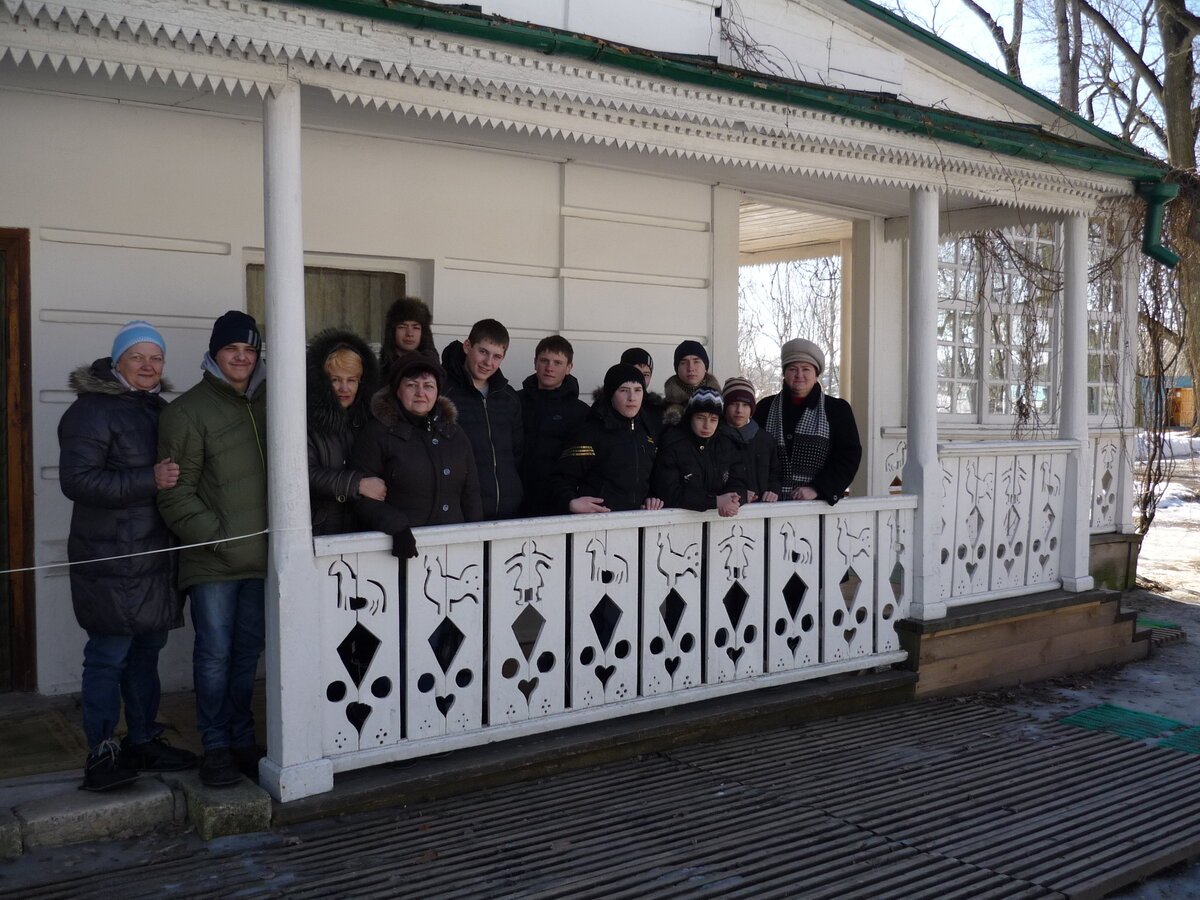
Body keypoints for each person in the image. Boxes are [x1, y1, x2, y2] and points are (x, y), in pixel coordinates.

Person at [58, 321, 197, 791]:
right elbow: (77, 481)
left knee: (145, 653)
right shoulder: (92, 411)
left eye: (155, 358)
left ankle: (143, 739)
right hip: (112, 559)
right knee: (108, 654)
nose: (147, 365)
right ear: (117, 361)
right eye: (137, 357)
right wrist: (147, 481)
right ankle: (102, 754)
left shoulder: (157, 408)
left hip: (155, 555)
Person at [157, 310, 268, 788]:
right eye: (231, 350)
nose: (241, 357)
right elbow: (175, 493)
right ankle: (216, 745)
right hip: (214, 561)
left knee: (247, 655)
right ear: (214, 354)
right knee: (215, 655)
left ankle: (242, 739)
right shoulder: (187, 411)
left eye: (248, 349)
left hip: (261, 560)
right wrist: (218, 537)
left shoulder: (266, 405)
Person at [352, 356, 482, 557]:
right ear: (397, 390)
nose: (421, 393)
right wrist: (396, 526)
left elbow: (471, 492)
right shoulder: (377, 433)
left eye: (428, 386)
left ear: (437, 392)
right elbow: (360, 495)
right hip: (397, 550)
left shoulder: (454, 433)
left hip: (454, 551)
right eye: (412, 385)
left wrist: (475, 538)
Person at [753, 338, 861, 504]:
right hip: (767, 505)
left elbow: (847, 457)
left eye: (806, 369)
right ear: (784, 372)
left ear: (816, 374)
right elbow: (750, 454)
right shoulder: (765, 408)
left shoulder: (836, 410)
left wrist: (818, 488)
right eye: (792, 369)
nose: (799, 375)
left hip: (816, 508)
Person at [440, 318, 523, 520]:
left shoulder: (509, 398)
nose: (488, 362)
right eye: (483, 351)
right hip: (462, 512)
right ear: (468, 346)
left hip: (509, 511)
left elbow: (518, 454)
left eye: (497, 356)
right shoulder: (443, 393)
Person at [552, 363, 663, 514]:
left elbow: (650, 480)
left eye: (638, 390)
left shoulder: (647, 432)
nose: (632, 397)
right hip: (599, 526)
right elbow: (561, 478)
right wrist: (571, 502)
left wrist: (652, 497)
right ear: (611, 394)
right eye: (624, 390)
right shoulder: (592, 432)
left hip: (638, 526)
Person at [306, 329, 386, 536]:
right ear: (322, 382)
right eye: (335, 380)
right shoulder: (307, 420)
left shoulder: (369, 420)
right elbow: (305, 474)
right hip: (321, 531)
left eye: (351, 380)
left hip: (364, 530)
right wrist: (356, 484)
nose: (344, 388)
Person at [518, 335, 589, 516]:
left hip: (559, 506)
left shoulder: (581, 412)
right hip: (516, 503)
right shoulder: (514, 401)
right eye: (544, 361)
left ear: (569, 368)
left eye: (557, 362)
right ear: (535, 363)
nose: (549, 368)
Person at [651, 388, 746, 516]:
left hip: (719, 527)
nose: (707, 425)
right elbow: (669, 492)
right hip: (678, 524)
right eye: (701, 418)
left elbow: (739, 481)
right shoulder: (673, 444)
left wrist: (733, 500)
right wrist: (715, 501)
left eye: (713, 419)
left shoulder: (726, 444)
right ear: (690, 417)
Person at [722, 376, 781, 503]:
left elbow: (775, 473)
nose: (739, 410)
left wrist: (774, 490)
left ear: (752, 409)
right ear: (725, 406)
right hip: (728, 510)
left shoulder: (765, 439)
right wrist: (739, 493)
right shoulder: (715, 438)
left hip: (763, 510)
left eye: (745, 405)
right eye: (734, 404)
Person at [662, 339, 721, 426]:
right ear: (677, 368)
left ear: (705, 366)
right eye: (683, 363)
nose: (690, 368)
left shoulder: (722, 405)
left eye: (696, 362)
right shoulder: (662, 409)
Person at [379, 295, 438, 379]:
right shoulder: (377, 373)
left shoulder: (434, 371)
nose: (409, 333)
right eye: (402, 327)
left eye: (416, 328)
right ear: (392, 331)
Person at [620, 346, 666, 438]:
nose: (640, 379)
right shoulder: (605, 408)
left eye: (646, 375)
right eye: (635, 372)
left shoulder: (657, 410)